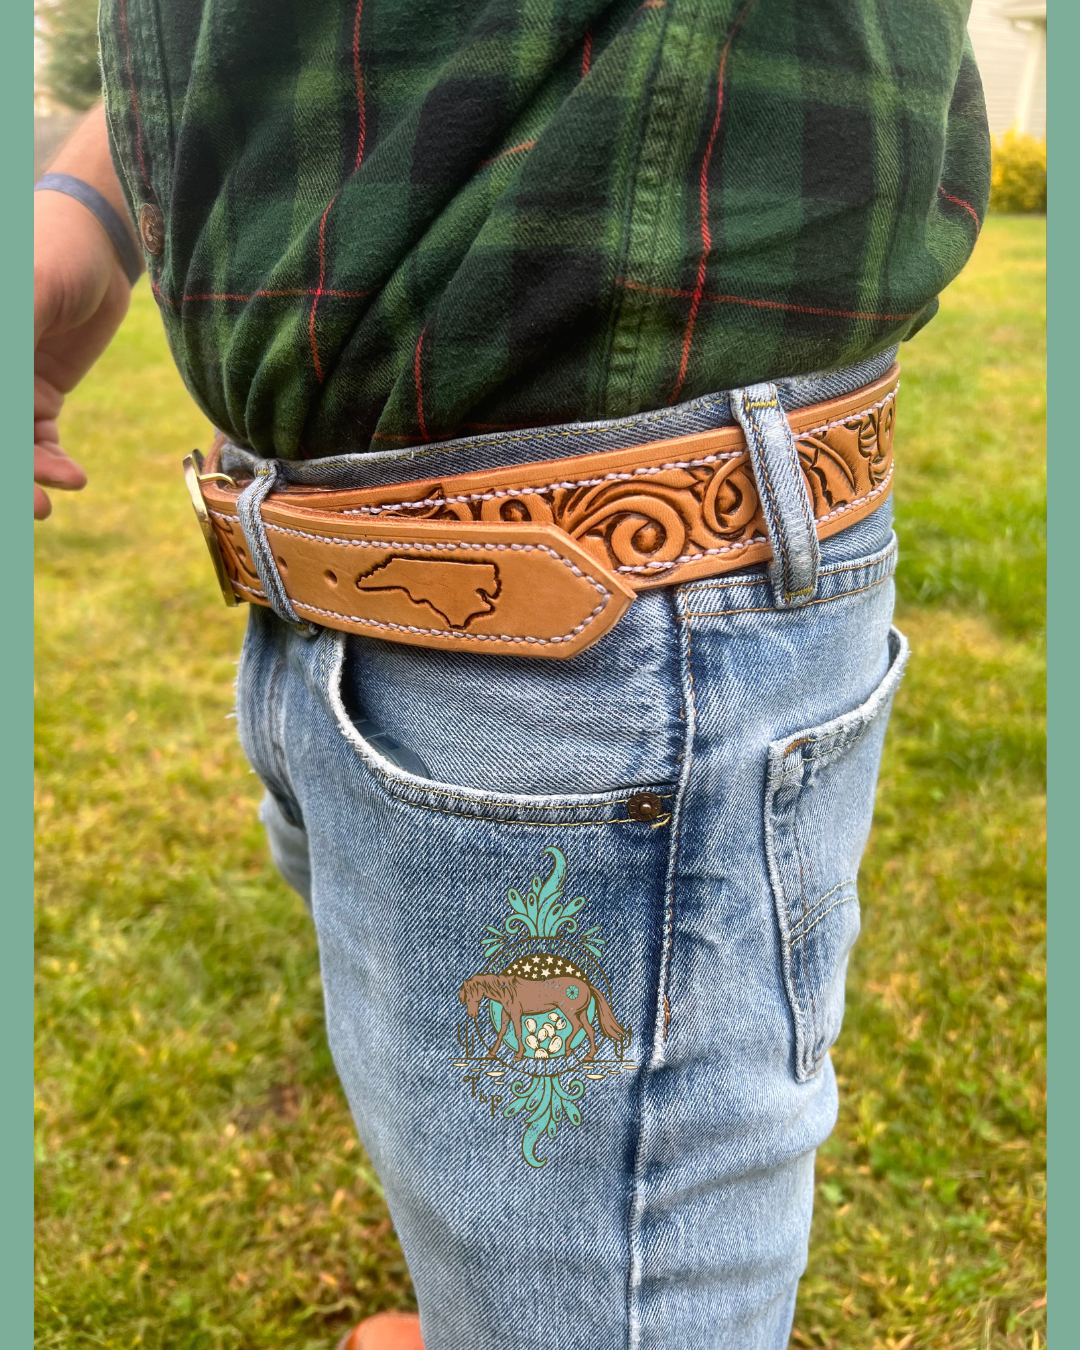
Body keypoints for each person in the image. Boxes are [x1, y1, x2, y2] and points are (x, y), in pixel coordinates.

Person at [34, 3, 989, 1347]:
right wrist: (85, 208)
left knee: (596, 1262)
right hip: (326, 597)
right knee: (474, 1147)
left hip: (611, 613)